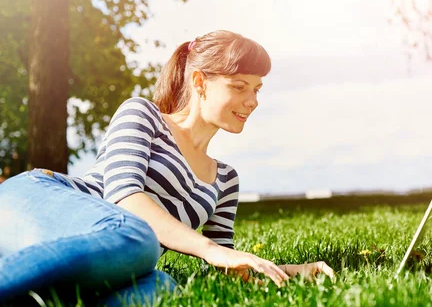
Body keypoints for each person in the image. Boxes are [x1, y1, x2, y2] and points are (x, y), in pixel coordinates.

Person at [0, 30, 334, 306]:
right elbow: (124, 196)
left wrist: (290, 271)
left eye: (257, 89)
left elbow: (228, 267)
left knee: (160, 289)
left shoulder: (226, 180)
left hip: (107, 257)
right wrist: (209, 249)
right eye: (239, 87)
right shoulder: (142, 115)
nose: (253, 101)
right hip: (34, 202)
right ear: (200, 82)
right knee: (139, 236)